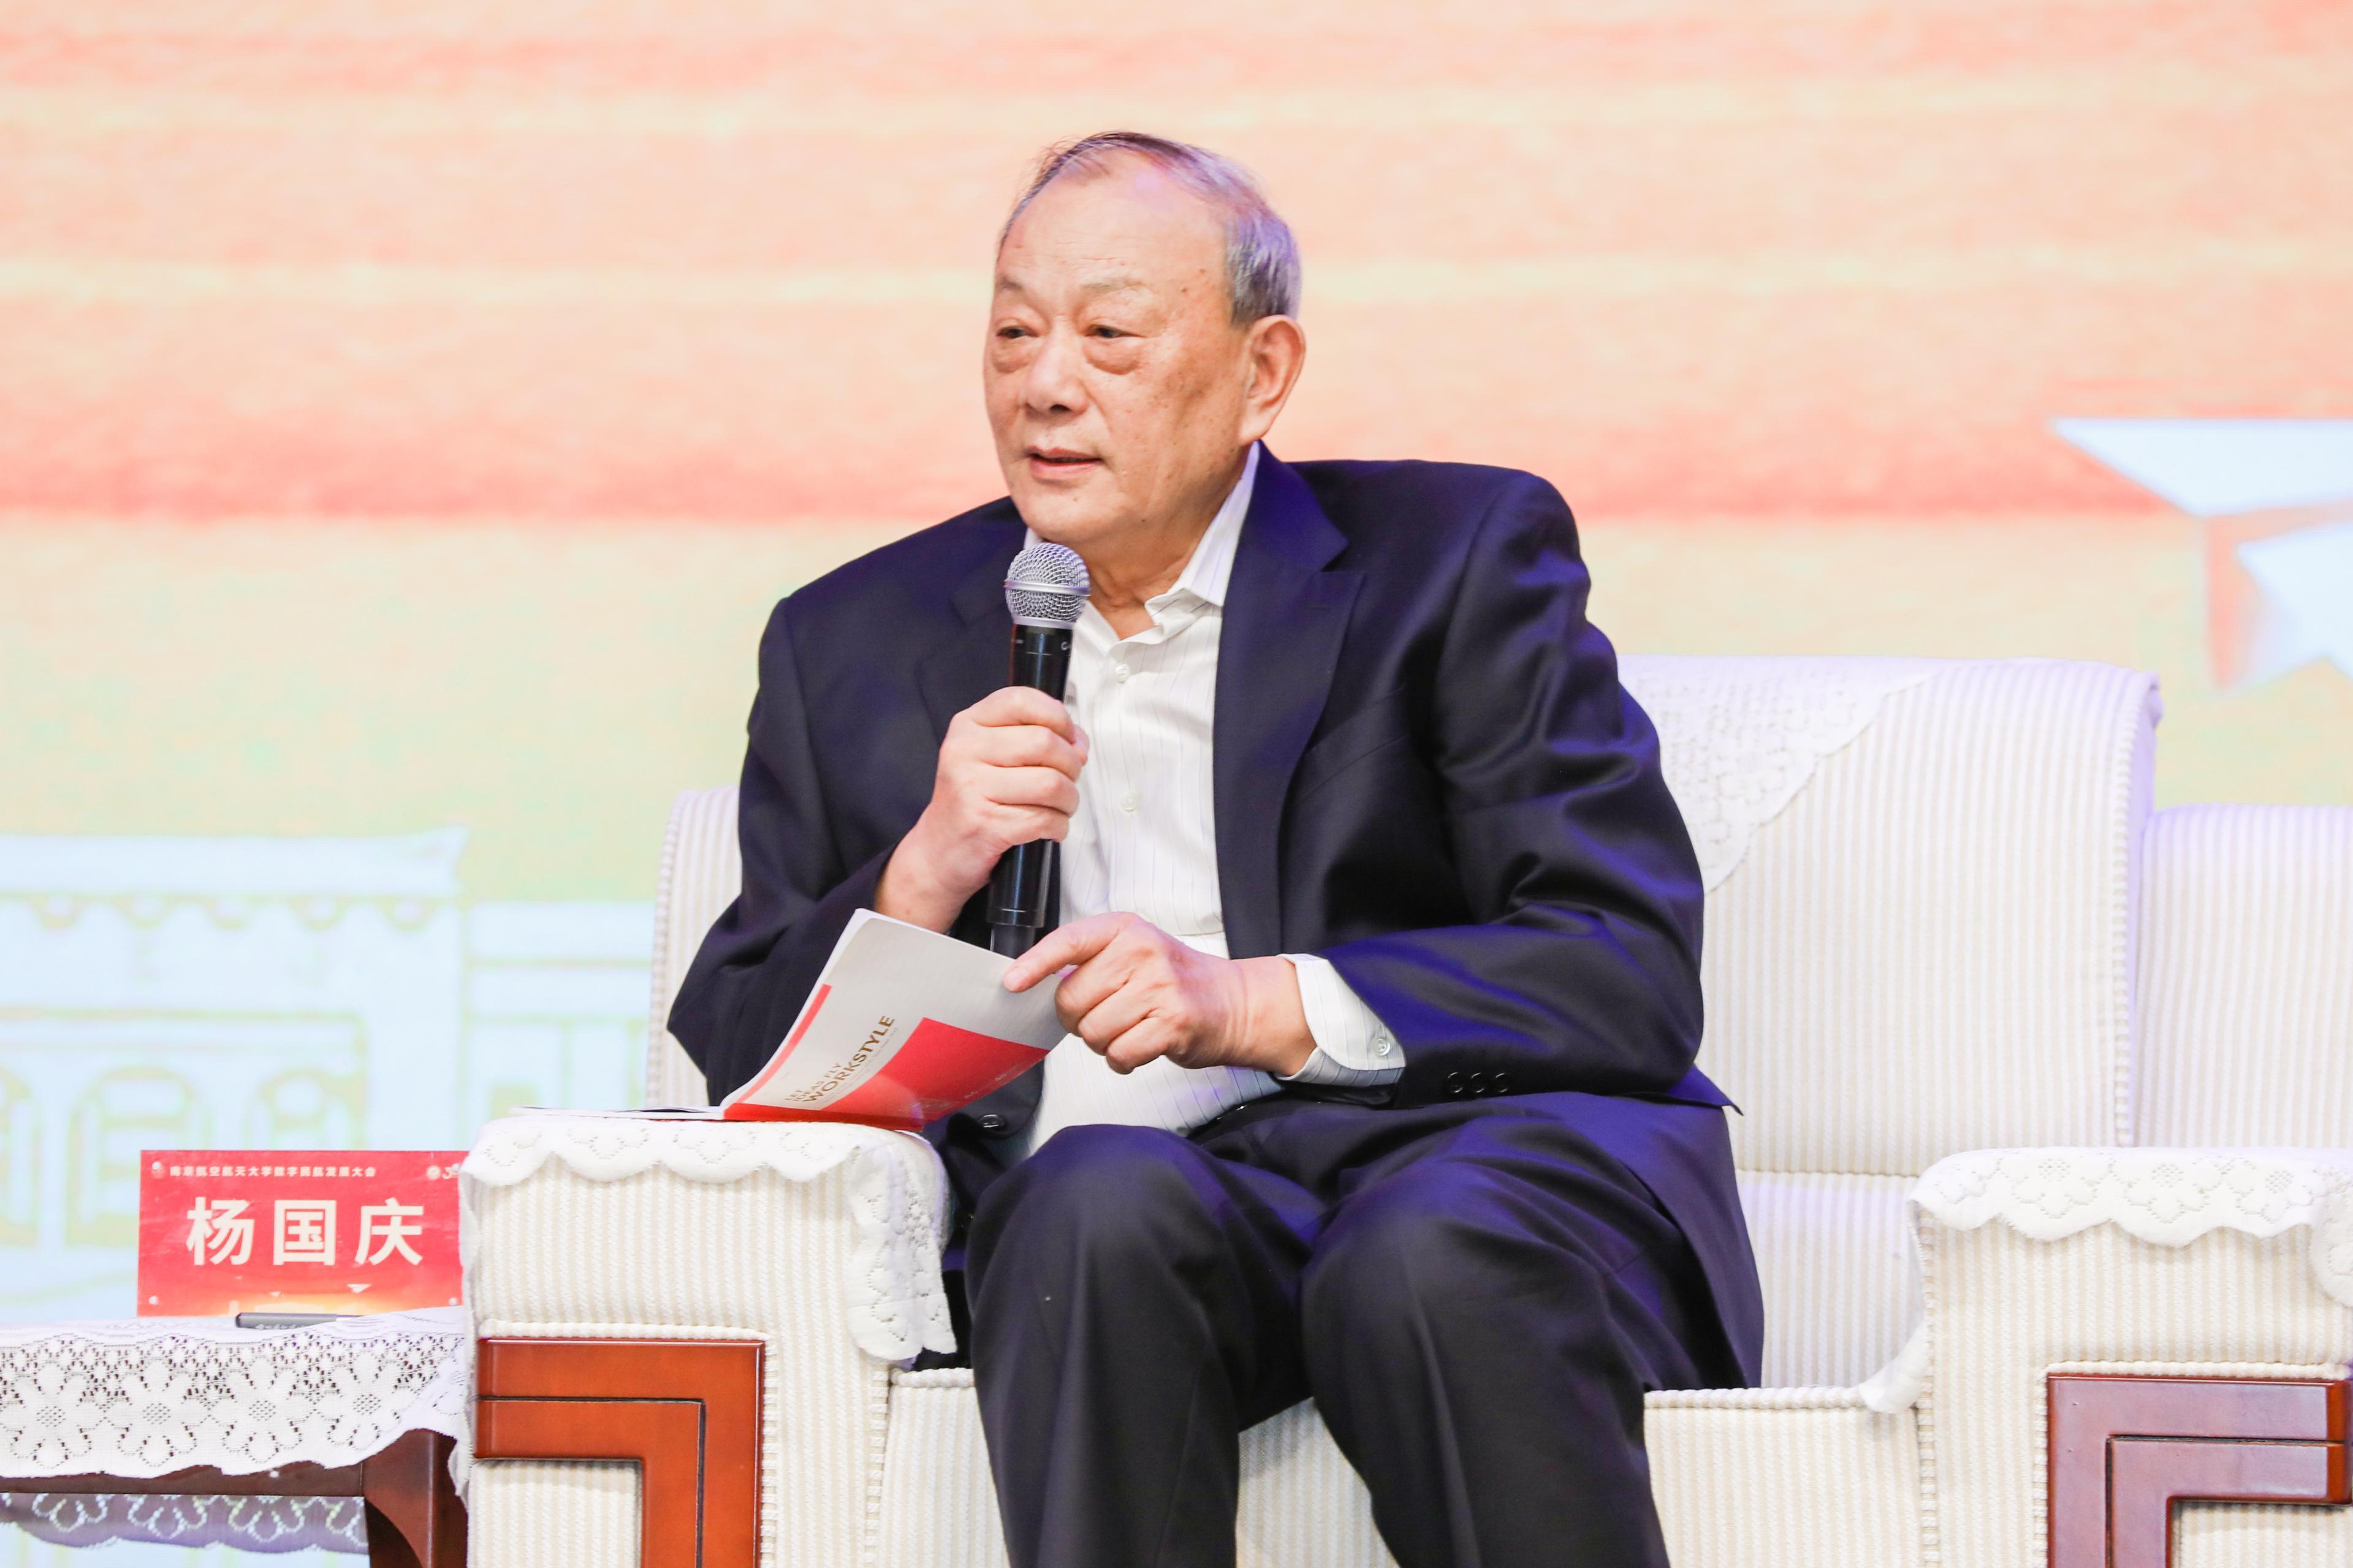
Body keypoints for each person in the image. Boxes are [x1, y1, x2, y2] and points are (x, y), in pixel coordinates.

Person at [671, 131, 1762, 1568]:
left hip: (1466, 1162)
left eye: (1110, 335)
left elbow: (1619, 966)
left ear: (1263, 371)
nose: (1046, 383)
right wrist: (923, 871)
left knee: (1422, 1252)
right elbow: (740, 1055)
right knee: (1082, 1202)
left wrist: (1250, 1001)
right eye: (1014, 332)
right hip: (1143, 1221)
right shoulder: (851, 640)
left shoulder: (1453, 558)